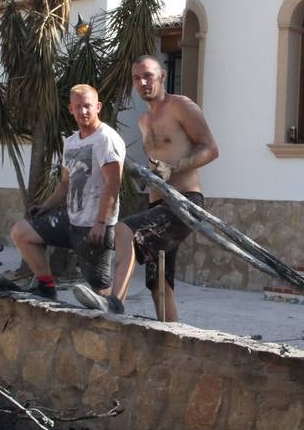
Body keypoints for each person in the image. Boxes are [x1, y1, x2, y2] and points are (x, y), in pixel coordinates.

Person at [74, 55, 218, 321]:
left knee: (123, 230)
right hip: (157, 205)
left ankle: (114, 302)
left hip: (184, 203)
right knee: (159, 285)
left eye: (148, 76)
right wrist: (152, 175)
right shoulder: (144, 121)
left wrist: (174, 167)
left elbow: (210, 149)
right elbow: (159, 164)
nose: (142, 83)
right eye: (136, 78)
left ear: (162, 75)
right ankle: (172, 340)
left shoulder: (181, 106)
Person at [9, 84, 125, 301]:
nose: (83, 112)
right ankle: (46, 287)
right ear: (70, 109)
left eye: (88, 106)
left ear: (98, 107)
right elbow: (65, 183)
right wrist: (46, 207)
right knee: (21, 232)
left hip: (95, 225)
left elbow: (112, 183)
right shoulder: (71, 142)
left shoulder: (106, 139)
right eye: (78, 107)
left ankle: (113, 318)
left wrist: (101, 222)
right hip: (69, 220)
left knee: (99, 289)